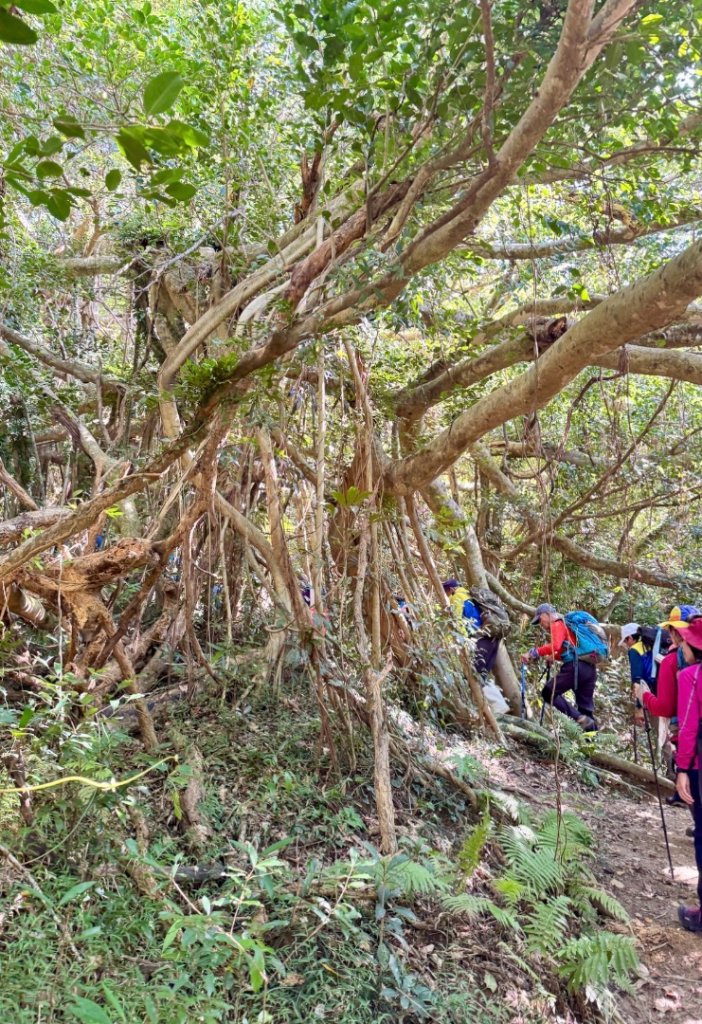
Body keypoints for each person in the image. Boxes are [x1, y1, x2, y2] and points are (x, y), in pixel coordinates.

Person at [521, 602, 597, 731]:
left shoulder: (558, 624)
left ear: (546, 614)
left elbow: (555, 646)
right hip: (589, 669)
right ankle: (592, 740)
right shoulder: (568, 628)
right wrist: (553, 657)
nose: (541, 624)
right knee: (586, 709)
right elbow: (568, 650)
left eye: (540, 620)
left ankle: (578, 718)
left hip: (575, 668)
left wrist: (533, 652)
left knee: (548, 692)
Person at [672, 615, 702, 933]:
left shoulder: (691, 676)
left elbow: (689, 726)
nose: (682, 647)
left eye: (686, 643)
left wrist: (681, 769)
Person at [443, 578, 509, 715]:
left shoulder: (457, 597)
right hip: (492, 639)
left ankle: (498, 709)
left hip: (480, 639)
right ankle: (496, 709)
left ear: (451, 589)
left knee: (475, 675)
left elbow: (457, 622)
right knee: (482, 674)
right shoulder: (472, 596)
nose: (447, 595)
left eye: (446, 592)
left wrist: (459, 641)